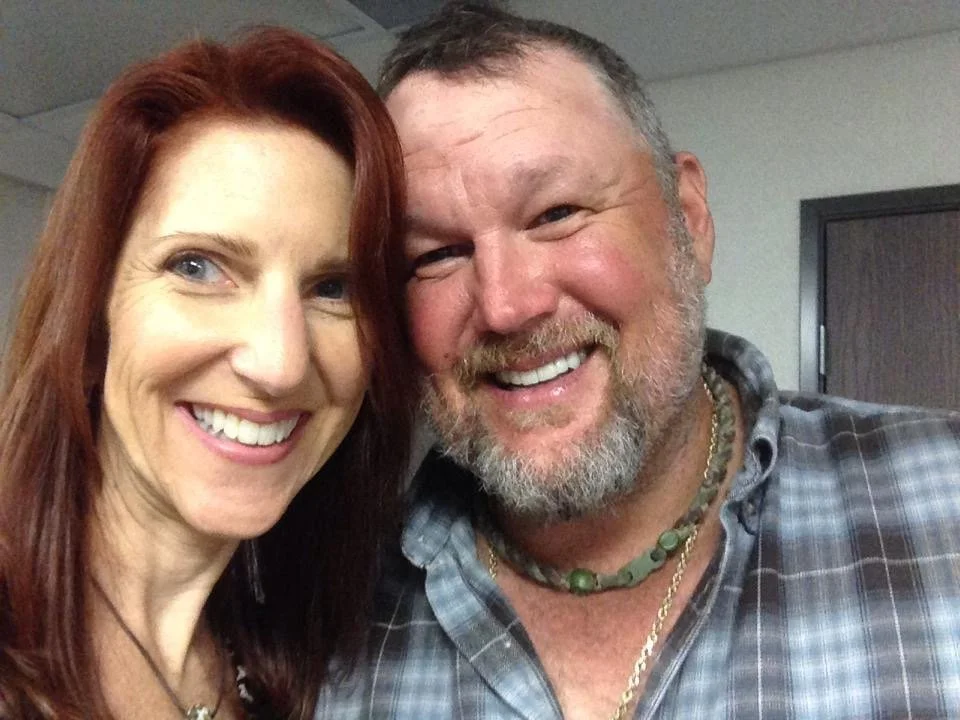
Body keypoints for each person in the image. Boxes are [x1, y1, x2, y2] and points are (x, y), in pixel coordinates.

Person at [315, 3, 960, 718]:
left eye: (556, 214)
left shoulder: (944, 503)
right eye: (435, 254)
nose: (505, 305)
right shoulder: (319, 614)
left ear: (689, 218)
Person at [0, 27, 414, 720]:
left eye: (333, 288)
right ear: (92, 318)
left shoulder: (285, 668)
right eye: (197, 267)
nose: (280, 364)